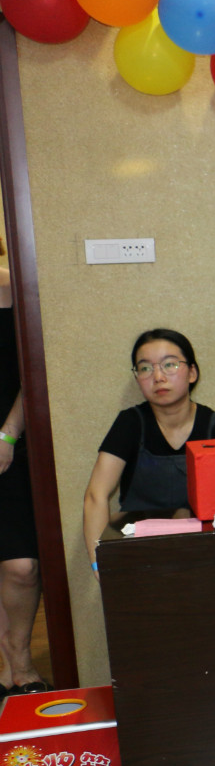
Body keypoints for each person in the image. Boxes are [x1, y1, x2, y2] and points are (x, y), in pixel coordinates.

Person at [82, 329, 215, 568]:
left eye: (170, 365)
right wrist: (99, 562)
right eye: (145, 368)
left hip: (206, 552)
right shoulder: (130, 423)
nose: (158, 377)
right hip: (140, 553)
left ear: (192, 373)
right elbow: (96, 495)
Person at [0, 265, 45, 696]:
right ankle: (12, 668)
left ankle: (20, 652)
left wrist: (7, 435)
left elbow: (36, 365)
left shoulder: (16, 283)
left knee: (22, 566)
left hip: (12, 444)